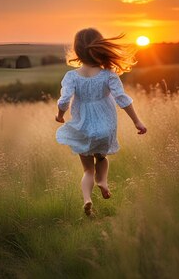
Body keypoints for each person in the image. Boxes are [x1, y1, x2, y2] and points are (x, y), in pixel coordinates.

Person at [55, 28, 147, 216]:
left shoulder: (71, 77)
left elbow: (64, 100)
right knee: (102, 158)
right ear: (99, 47)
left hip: (82, 127)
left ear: (77, 50)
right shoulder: (108, 75)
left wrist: (60, 115)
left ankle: (87, 199)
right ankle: (103, 181)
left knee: (88, 170)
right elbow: (122, 99)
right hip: (105, 126)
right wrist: (137, 121)